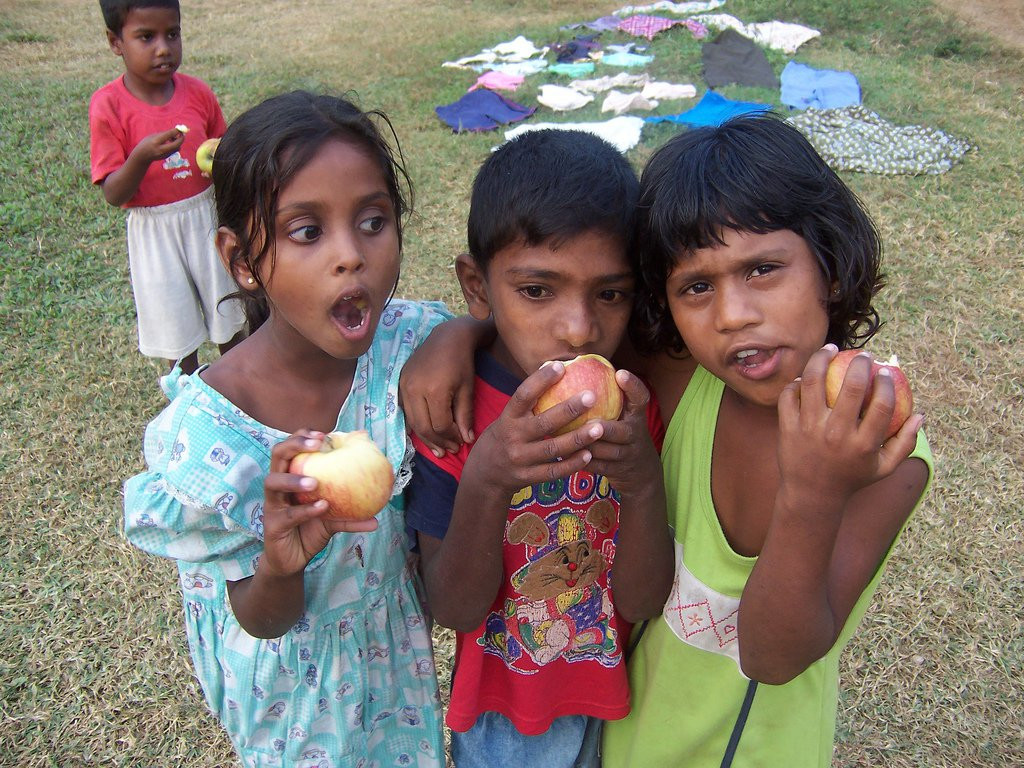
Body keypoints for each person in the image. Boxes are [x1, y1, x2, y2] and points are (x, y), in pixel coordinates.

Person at [403, 115, 934, 767]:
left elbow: (772, 656)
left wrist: (815, 490)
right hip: (610, 736)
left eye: (763, 269)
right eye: (697, 287)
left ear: (827, 261)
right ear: (667, 304)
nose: (733, 314)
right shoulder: (684, 374)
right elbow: (553, 325)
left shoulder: (883, 452)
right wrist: (457, 335)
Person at [123, 91, 449, 767]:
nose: (350, 256)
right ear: (242, 261)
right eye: (307, 231)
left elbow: (472, 329)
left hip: (394, 671)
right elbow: (258, 618)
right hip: (291, 701)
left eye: (373, 221)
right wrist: (279, 559)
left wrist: (461, 339)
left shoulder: (406, 348)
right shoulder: (210, 433)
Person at [403, 129, 675, 768]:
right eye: (537, 291)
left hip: (622, 702)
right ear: (477, 287)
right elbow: (453, 607)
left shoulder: (631, 408)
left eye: (609, 293)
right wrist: (489, 480)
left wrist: (639, 483)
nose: (578, 327)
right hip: (507, 722)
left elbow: (642, 600)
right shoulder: (457, 419)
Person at [90, 0, 244, 375]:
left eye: (172, 34)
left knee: (231, 319)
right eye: (146, 36)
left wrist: (220, 160)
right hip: (154, 232)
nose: (164, 48)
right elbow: (114, 193)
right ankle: (185, 409)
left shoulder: (197, 94)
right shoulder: (108, 106)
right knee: (178, 335)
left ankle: (247, 393)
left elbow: (221, 150)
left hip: (206, 219)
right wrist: (141, 156)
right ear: (116, 42)